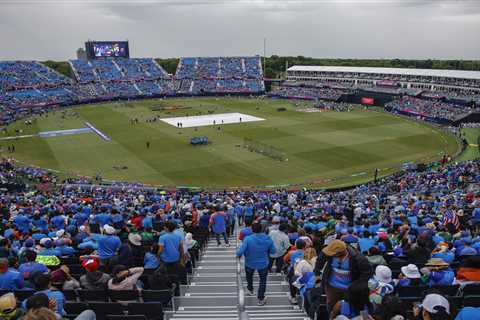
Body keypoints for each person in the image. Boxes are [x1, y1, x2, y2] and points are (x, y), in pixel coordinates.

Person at [314, 239, 372, 313]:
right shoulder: (330, 251)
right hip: (332, 287)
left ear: (340, 253)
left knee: (349, 309)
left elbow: (366, 274)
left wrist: (355, 286)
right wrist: (317, 274)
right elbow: (320, 260)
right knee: (331, 308)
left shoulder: (359, 258)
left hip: (350, 288)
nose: (330, 255)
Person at [236, 222, 276, 306]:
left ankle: (250, 289)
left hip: (249, 262)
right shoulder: (268, 238)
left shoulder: (247, 239)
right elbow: (273, 251)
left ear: (252, 230)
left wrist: (238, 255)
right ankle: (260, 299)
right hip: (263, 263)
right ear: (261, 229)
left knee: (249, 277)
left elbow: (240, 252)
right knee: (263, 281)